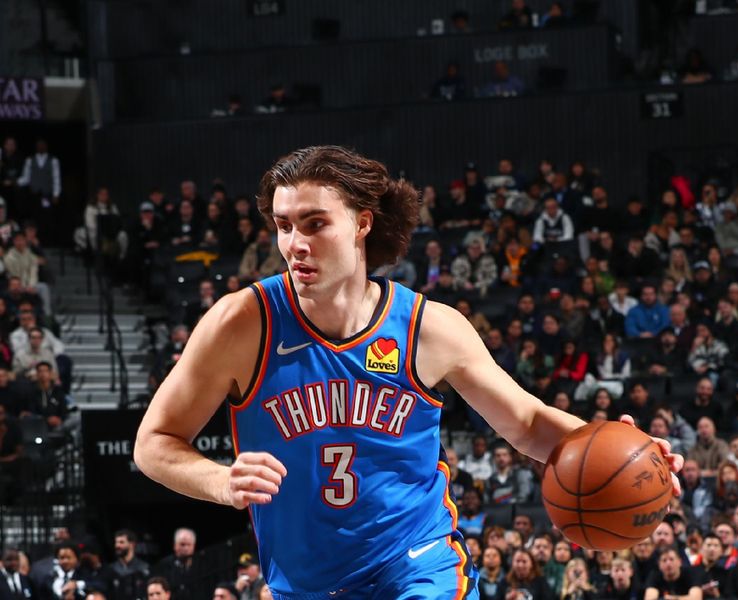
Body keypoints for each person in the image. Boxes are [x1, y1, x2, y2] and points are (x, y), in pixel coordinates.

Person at [134, 146, 681, 598]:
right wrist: (221, 480)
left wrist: (628, 450)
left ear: (362, 224)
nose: (294, 244)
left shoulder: (427, 327)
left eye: (314, 223)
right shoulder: (242, 323)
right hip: (303, 582)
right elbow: (154, 443)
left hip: (414, 564)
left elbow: (527, 422)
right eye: (283, 226)